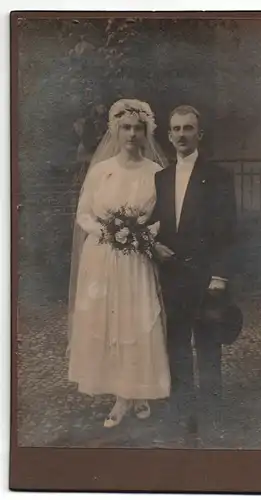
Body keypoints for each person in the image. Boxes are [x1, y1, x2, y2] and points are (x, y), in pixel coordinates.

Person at [67, 99, 170, 428]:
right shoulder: (102, 171)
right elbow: (83, 213)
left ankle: (135, 393)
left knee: (137, 322)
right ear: (115, 130)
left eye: (137, 128)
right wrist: (110, 233)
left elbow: (164, 218)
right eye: (125, 127)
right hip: (103, 258)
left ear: (146, 132)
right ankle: (119, 394)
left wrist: (142, 235)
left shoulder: (156, 173)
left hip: (137, 259)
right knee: (109, 323)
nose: (131, 133)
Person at [152, 105, 237, 436]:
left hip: (205, 276)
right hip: (172, 274)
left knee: (208, 346)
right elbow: (155, 225)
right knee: (176, 345)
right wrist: (154, 246)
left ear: (199, 134)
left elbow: (228, 230)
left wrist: (219, 275)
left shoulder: (218, 177)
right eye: (176, 129)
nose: (182, 135)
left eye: (189, 128)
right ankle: (183, 413)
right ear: (169, 135)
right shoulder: (161, 178)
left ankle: (213, 414)